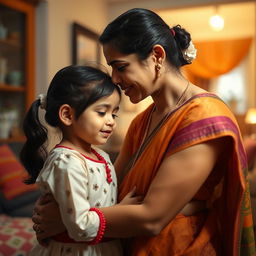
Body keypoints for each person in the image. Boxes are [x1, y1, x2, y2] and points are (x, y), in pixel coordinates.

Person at [31, 8, 255, 255]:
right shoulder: (141, 121)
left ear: (156, 56)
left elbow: (152, 218)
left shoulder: (204, 117)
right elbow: (109, 193)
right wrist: (65, 207)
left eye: (121, 66)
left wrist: (66, 221)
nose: (114, 79)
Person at [20, 65, 139, 255]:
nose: (111, 121)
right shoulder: (66, 162)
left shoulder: (102, 156)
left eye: (114, 113)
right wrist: (122, 212)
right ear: (67, 115)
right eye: (102, 112)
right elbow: (80, 226)